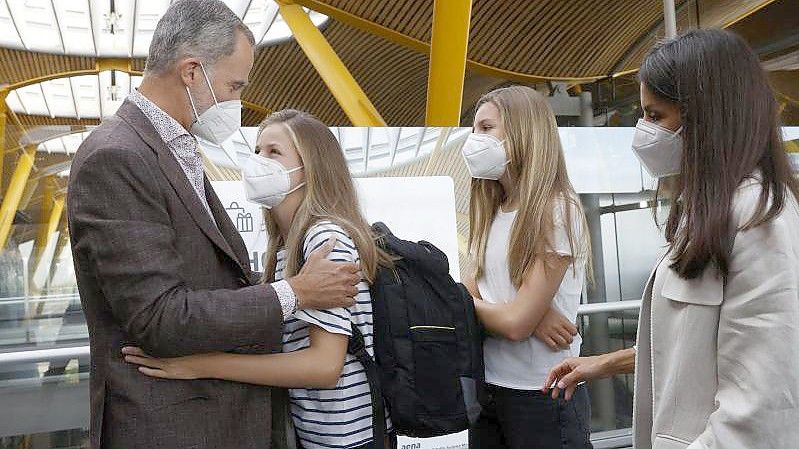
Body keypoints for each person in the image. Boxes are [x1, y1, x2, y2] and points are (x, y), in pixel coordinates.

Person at [67, 3, 359, 449]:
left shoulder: (170, 148)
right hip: (170, 424)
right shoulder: (118, 156)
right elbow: (160, 317)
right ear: (191, 72)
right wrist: (295, 293)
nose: (234, 101)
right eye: (233, 85)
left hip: (207, 416)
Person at [544, 29, 799, 449]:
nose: (642, 132)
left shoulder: (759, 219)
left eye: (655, 115)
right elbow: (695, 350)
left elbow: (761, 409)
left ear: (709, 117)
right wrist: (605, 363)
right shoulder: (712, 213)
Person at [122, 109, 396, 449]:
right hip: (318, 434)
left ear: (311, 169)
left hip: (346, 438)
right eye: (257, 151)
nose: (257, 162)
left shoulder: (325, 237)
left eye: (274, 152)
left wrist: (203, 365)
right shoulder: (286, 244)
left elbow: (325, 366)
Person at [462, 85, 593, 449]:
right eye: (474, 129)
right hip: (490, 386)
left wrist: (523, 314)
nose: (475, 139)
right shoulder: (492, 208)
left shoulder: (557, 209)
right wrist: (526, 311)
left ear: (523, 131)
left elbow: (514, 323)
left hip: (544, 393)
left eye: (486, 128)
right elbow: (471, 286)